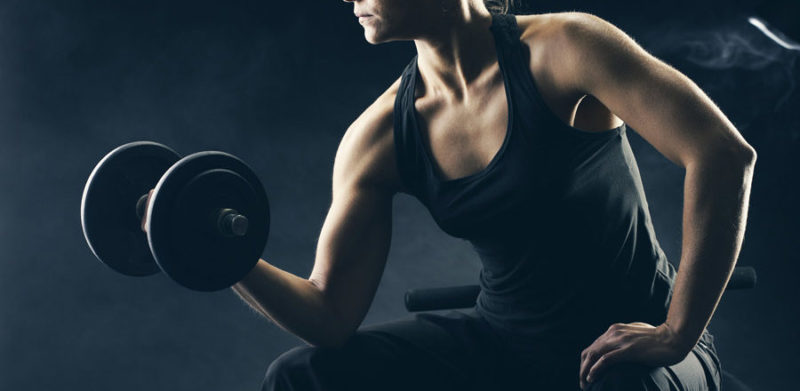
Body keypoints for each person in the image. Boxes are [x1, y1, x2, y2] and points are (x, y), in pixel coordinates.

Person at [231, 0, 756, 390]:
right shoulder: (379, 137)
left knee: (622, 386)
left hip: (641, 340)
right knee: (300, 377)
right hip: (506, 345)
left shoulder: (566, 48)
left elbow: (722, 155)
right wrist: (225, 255)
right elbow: (328, 314)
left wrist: (677, 331)